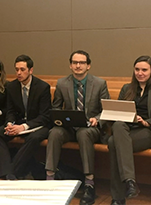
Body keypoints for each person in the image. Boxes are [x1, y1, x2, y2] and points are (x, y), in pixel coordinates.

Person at [45, 50, 110, 205]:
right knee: (54, 133)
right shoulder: (62, 83)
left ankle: (89, 184)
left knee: (84, 134)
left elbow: (106, 110)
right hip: (69, 127)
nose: (78, 66)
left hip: (90, 127)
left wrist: (97, 119)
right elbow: (56, 108)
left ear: (88, 66)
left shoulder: (100, 83)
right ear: (70, 65)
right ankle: (49, 180)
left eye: (81, 63)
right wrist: (59, 119)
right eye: (75, 63)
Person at [108, 55, 151, 205]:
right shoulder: (127, 88)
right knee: (118, 125)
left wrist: (146, 122)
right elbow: (118, 113)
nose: (140, 73)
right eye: (137, 69)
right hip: (126, 129)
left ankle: (118, 197)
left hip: (147, 131)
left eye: (144, 70)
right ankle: (130, 182)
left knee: (113, 143)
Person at [0, 54, 52, 180]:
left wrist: (24, 127)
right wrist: (9, 123)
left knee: (33, 138)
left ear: (31, 70)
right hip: (18, 123)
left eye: (22, 70)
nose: (19, 73)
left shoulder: (42, 87)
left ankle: (12, 172)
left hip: (38, 125)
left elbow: (45, 116)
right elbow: (10, 110)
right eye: (17, 69)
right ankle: (6, 172)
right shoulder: (12, 86)